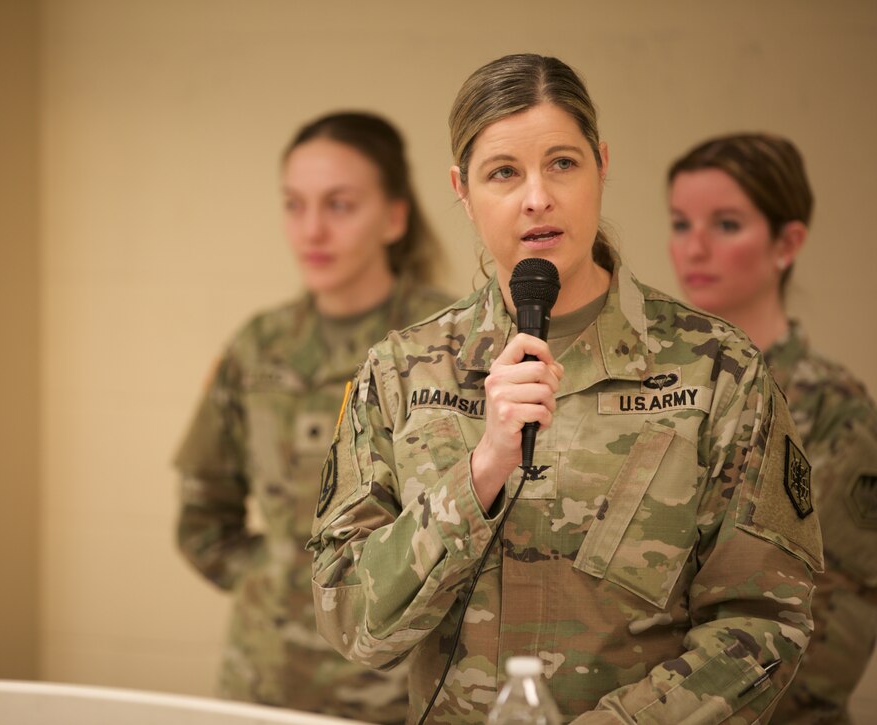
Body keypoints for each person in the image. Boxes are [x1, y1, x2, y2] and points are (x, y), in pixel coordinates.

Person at [309, 54, 824, 724]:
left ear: (601, 165)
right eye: (503, 172)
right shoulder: (402, 371)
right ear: (462, 189)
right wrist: (482, 470)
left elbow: (764, 625)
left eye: (562, 163)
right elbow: (351, 618)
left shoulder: (719, 370)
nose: (537, 198)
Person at [174, 110, 455, 723]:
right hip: (264, 685)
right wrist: (275, 582)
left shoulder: (448, 343)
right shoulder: (259, 346)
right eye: (295, 205)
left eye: (339, 205)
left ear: (394, 217)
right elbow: (201, 517)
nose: (312, 230)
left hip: (400, 691)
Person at [667, 132, 877, 723]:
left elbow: (828, 636)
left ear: (787, 243)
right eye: (681, 223)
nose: (695, 248)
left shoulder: (833, 409)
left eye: (727, 225)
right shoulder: (659, 393)